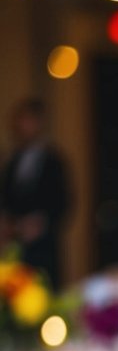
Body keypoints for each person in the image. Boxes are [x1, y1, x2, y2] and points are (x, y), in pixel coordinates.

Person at [0, 97, 71, 289]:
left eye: (27, 120)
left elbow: (65, 203)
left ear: (39, 123)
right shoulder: (12, 160)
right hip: (14, 247)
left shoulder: (54, 161)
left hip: (44, 250)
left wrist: (42, 223)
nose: (21, 125)